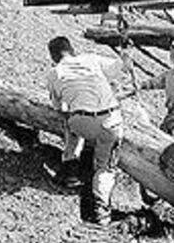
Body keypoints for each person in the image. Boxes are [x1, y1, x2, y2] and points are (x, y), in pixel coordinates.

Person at [46, 36, 131, 225]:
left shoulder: (55, 72)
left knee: (69, 119)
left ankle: (70, 167)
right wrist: (125, 51)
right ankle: (101, 210)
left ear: (53, 57)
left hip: (82, 122)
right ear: (72, 50)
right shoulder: (91, 59)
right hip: (110, 121)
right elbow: (122, 67)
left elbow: (58, 107)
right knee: (105, 167)